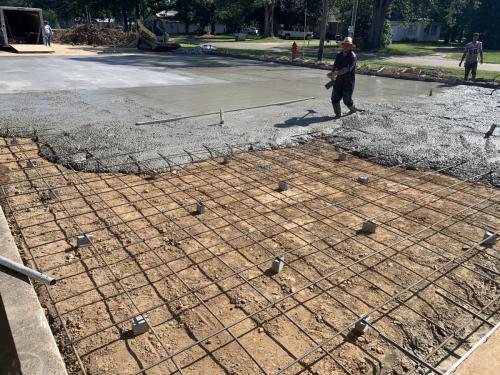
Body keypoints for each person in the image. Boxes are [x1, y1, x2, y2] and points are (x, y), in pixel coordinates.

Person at [327, 37, 357, 119]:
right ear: (342, 46)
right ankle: (338, 115)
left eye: (348, 45)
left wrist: (336, 73)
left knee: (347, 100)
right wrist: (332, 74)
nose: (345, 46)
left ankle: (353, 110)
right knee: (334, 98)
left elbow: (346, 69)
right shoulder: (338, 56)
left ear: (350, 46)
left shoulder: (353, 57)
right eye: (344, 45)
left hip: (348, 83)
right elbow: (335, 65)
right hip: (338, 82)